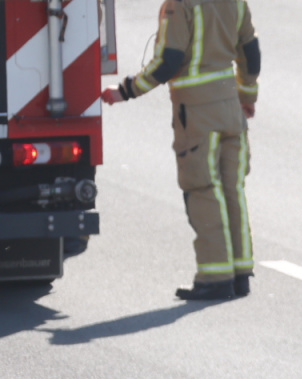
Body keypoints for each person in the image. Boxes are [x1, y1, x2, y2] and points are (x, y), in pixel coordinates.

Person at [101, 0, 260, 302]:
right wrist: (248, 93)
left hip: (197, 113)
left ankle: (215, 277)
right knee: (232, 190)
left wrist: (125, 91)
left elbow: (169, 61)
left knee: (202, 188)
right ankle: (240, 274)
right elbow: (250, 49)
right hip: (230, 107)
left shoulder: (179, 5)